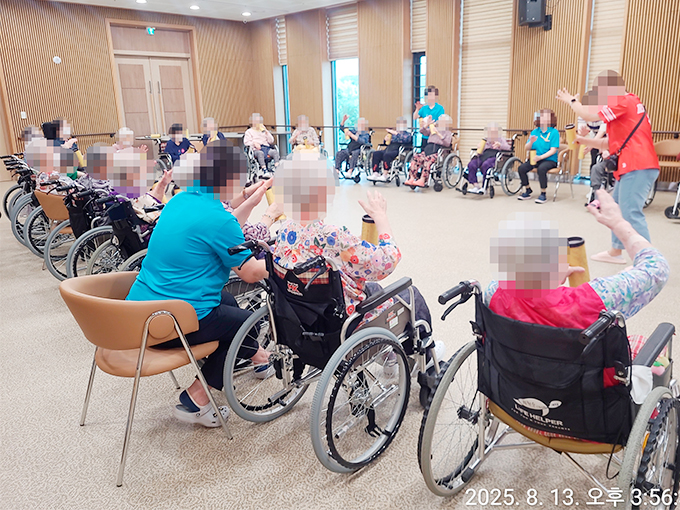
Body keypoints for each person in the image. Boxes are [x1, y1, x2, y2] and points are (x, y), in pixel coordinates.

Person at [126, 140, 271, 427]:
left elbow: (222, 227)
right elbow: (251, 273)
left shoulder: (179, 200)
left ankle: (253, 356)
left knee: (228, 302)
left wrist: (251, 201)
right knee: (249, 326)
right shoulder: (217, 219)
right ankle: (197, 398)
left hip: (138, 313)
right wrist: (285, 260)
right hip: (171, 324)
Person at [272, 152, 441, 362]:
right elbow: (387, 261)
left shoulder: (284, 230)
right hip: (343, 324)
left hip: (304, 319)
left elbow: (332, 253)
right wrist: (381, 218)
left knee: (374, 288)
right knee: (411, 294)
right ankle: (427, 361)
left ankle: (388, 357)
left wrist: (355, 243)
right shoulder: (331, 235)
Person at [557, 70, 660, 264]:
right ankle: (616, 251)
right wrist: (583, 140)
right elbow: (610, 143)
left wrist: (571, 100)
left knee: (631, 214)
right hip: (632, 164)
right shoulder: (627, 108)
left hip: (637, 164)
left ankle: (648, 262)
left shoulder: (624, 101)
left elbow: (588, 115)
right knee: (617, 209)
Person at [517, 109, 560, 203]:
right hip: (536, 159)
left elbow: (553, 150)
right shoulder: (535, 132)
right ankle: (528, 189)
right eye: (542, 117)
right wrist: (531, 142)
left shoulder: (554, 132)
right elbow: (526, 148)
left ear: (551, 119)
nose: (544, 119)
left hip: (550, 160)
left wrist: (540, 157)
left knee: (541, 169)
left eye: (547, 117)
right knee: (521, 168)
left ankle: (543, 193)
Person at [404, 114, 455, 188]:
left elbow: (447, 144)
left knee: (427, 160)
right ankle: (411, 178)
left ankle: (422, 180)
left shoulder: (448, 133)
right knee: (416, 158)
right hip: (428, 149)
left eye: (441, 121)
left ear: (446, 123)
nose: (439, 122)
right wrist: (427, 124)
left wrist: (438, 133)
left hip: (438, 151)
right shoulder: (433, 129)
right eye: (439, 120)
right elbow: (422, 131)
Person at [463, 122, 510, 194]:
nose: (492, 134)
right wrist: (479, 147)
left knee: (486, 165)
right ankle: (476, 186)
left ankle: (484, 187)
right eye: (490, 132)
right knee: (472, 164)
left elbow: (508, 148)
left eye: (493, 132)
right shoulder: (485, 140)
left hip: (494, 156)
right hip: (484, 155)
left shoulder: (500, 139)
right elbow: (480, 152)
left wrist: (500, 145)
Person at [368, 117, 412, 182]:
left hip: (398, 150)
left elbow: (406, 140)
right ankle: (375, 173)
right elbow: (386, 143)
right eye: (399, 124)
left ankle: (385, 174)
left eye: (402, 124)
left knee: (387, 155)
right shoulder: (393, 134)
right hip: (389, 148)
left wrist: (396, 133)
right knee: (376, 154)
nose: (400, 125)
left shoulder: (407, 134)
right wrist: (385, 140)